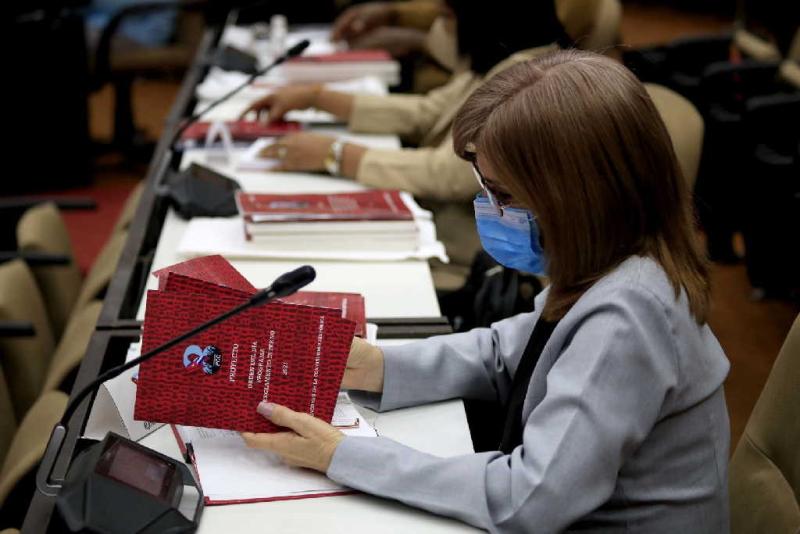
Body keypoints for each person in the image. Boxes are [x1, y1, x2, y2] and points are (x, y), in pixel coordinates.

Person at [241, 50, 731, 532]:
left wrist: (343, 455)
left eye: (506, 195)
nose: (492, 211)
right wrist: (377, 365)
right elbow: (507, 352)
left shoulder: (629, 314)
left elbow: (530, 499)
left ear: (580, 198)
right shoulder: (612, 265)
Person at [241, 0, 569, 289]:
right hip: (438, 230)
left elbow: (447, 174)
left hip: (465, 255)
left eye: (449, 16)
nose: (440, 27)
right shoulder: (509, 57)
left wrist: (336, 155)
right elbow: (430, 112)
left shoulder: (529, 79)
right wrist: (319, 97)